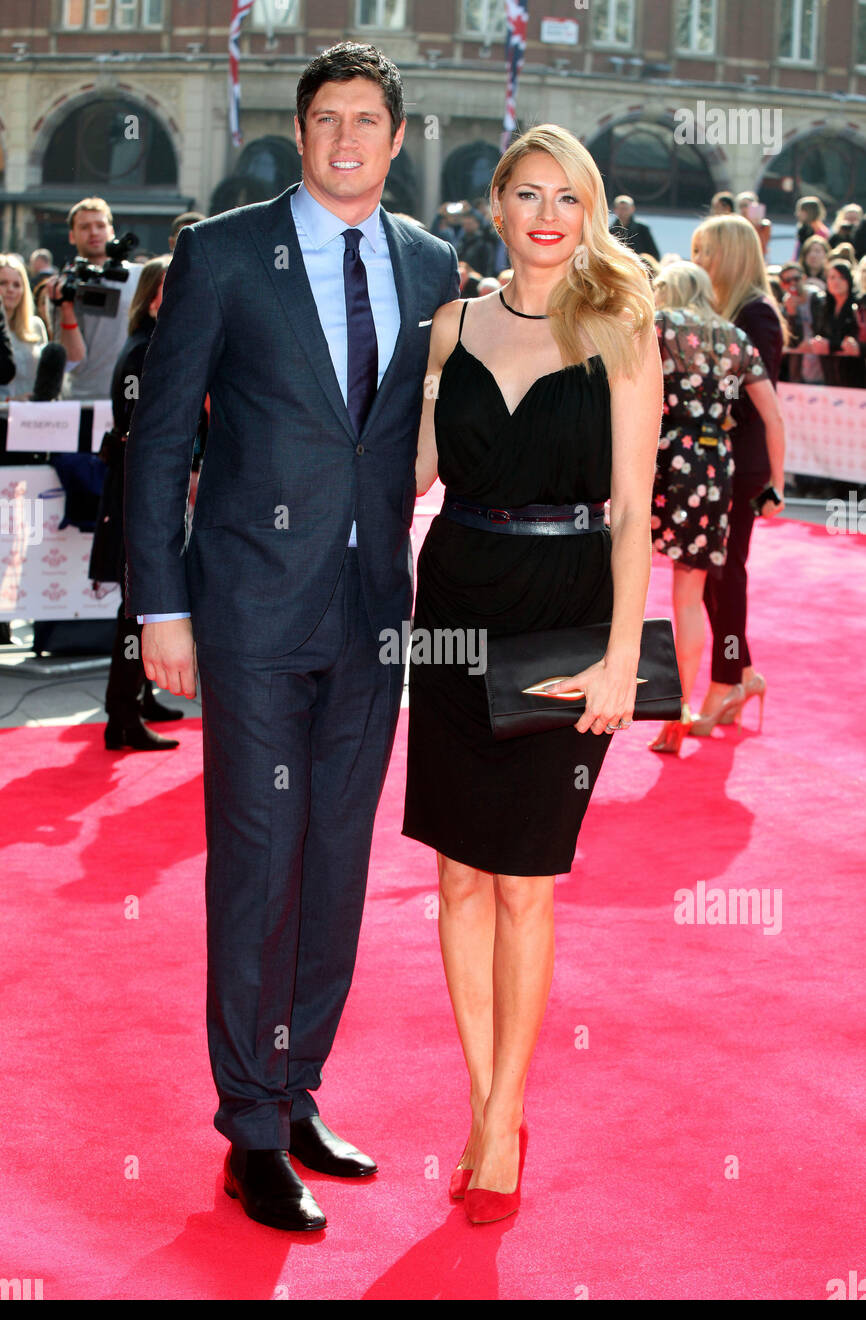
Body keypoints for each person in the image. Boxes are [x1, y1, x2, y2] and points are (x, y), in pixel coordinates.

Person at [123, 41, 459, 1233]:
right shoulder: (220, 255)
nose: (348, 138)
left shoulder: (431, 266)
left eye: (370, 118)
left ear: (397, 136)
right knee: (258, 863)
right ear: (300, 129)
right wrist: (159, 610)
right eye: (328, 117)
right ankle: (249, 1128)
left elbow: (429, 432)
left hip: (374, 621)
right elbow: (161, 442)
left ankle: (298, 1083)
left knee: (334, 869)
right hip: (251, 614)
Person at [402, 124, 661, 1223]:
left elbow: (635, 511)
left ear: (588, 209)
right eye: (526, 193)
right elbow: (408, 471)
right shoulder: (451, 321)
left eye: (568, 196)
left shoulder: (619, 324)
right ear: (495, 205)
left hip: (562, 618)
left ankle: (503, 1113)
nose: (547, 213)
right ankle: (481, 1097)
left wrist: (618, 660)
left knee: (523, 879)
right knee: (456, 878)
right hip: (452, 605)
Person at [647, 262, 784, 755]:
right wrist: (778, 485)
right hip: (712, 467)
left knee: (628, 583)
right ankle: (679, 707)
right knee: (690, 598)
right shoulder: (733, 338)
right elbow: (772, 416)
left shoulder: (657, 325)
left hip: (657, 461)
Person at [691, 215, 787, 733]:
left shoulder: (757, 314)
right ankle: (744, 673)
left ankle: (727, 681)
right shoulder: (731, 310)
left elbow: (754, 397)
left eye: (707, 251)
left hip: (740, 465)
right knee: (713, 576)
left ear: (729, 255)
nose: (700, 261)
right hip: (719, 462)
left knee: (724, 575)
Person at [91, 255, 188, 753]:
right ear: (155, 298)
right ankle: (122, 717)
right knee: (138, 609)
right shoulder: (145, 353)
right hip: (139, 501)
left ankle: (139, 699)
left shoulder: (154, 347)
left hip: (141, 497)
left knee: (140, 607)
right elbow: (144, 442)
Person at [43, 197, 143, 400]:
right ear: (72, 236)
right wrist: (66, 307)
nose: (94, 232)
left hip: (130, 396)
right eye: (85, 227)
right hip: (80, 399)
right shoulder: (62, 288)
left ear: (112, 231)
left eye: (100, 225)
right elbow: (72, 360)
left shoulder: (140, 277)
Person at [0, 254, 56, 401]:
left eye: (17, 285)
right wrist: (9, 401)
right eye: (3, 283)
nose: (10, 290)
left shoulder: (36, 326)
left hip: (34, 416)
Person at [806, 258, 866, 389]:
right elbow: (820, 335)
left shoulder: (860, 305)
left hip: (857, 377)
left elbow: (856, 344)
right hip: (830, 377)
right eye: (832, 277)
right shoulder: (824, 306)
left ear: (849, 280)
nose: (836, 281)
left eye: (841, 277)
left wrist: (857, 348)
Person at [778, 261, 825, 384]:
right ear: (783, 285)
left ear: (803, 278)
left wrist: (813, 342)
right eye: (788, 281)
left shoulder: (817, 297)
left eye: (796, 279)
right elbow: (793, 341)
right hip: (798, 365)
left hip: (820, 361)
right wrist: (792, 314)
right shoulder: (785, 304)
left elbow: (823, 329)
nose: (792, 283)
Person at [610, 195, 660, 259]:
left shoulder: (642, 228)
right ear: (615, 210)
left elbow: (653, 254)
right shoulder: (610, 230)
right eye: (620, 209)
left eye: (625, 209)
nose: (623, 212)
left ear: (632, 209)